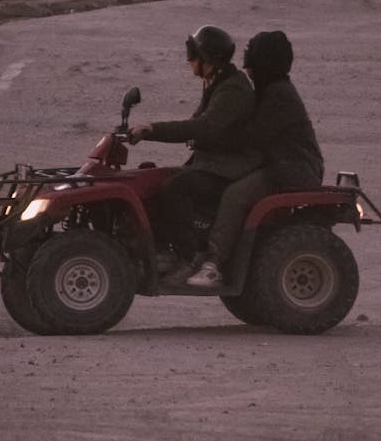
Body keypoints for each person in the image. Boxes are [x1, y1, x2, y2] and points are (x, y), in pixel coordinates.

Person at [187, 29, 324, 288]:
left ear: (264, 63)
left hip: (290, 171)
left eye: (252, 62)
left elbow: (251, 137)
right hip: (276, 165)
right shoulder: (270, 90)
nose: (247, 69)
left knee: (235, 195)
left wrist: (208, 138)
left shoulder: (279, 95)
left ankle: (213, 264)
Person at [129, 25, 262, 272]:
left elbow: (203, 126)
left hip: (231, 168)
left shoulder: (233, 89)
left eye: (194, 56)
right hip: (213, 162)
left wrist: (152, 129)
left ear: (209, 60)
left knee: (176, 187)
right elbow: (197, 124)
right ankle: (156, 248)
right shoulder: (216, 82)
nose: (189, 61)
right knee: (151, 177)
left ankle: (185, 257)